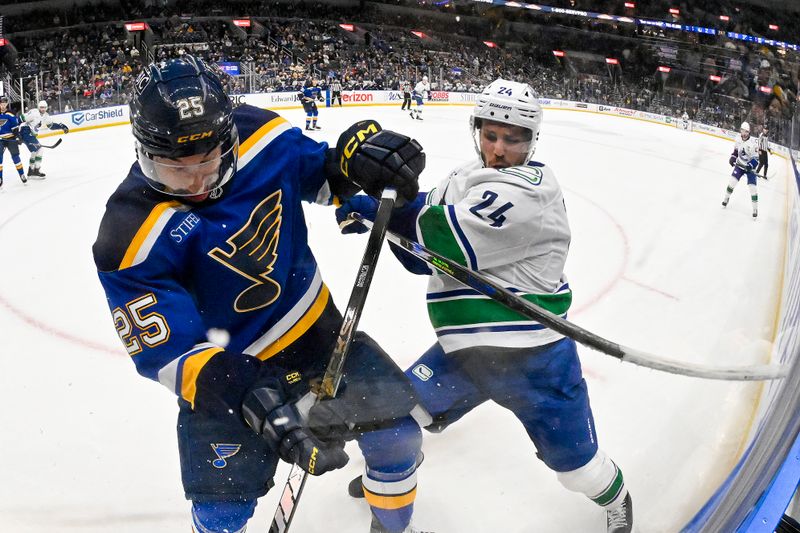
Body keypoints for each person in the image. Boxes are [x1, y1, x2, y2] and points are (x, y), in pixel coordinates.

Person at [91, 55, 428, 533]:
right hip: (228, 371)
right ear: (143, 150)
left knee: (397, 438)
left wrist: (358, 161)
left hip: (317, 333)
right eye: (173, 169)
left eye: (207, 160)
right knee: (220, 511)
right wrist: (249, 395)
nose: (196, 182)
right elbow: (169, 353)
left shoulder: (261, 136)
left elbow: (324, 176)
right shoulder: (128, 234)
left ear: (229, 138)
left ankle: (395, 527)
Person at [336, 78, 633, 532]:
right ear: (476, 130)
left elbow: (441, 238)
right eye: (490, 135)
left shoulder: (531, 190)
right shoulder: (461, 179)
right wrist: (385, 212)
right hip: (466, 353)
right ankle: (392, 474)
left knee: (578, 468)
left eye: (512, 139)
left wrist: (384, 204)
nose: (497, 149)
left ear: (531, 141)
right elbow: (421, 260)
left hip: (536, 361)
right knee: (395, 414)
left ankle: (616, 497)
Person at [19, 100, 69, 179]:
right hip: (25, 131)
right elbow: (21, 118)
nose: (43, 109)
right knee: (40, 150)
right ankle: (36, 170)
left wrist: (61, 126)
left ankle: (31, 171)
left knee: (34, 151)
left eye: (44, 107)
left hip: (31, 134)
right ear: (39, 107)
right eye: (41, 107)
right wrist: (17, 134)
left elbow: (51, 126)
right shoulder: (34, 112)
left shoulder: (46, 115)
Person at [722, 121, 759, 219]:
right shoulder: (738, 139)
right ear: (741, 130)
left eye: (746, 131)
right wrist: (732, 158)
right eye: (743, 131)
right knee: (731, 183)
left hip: (749, 168)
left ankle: (755, 208)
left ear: (749, 132)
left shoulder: (753, 144)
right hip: (739, 165)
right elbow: (735, 151)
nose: (744, 133)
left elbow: (756, 159)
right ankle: (726, 198)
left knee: (753, 189)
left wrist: (750, 166)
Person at [0, 96, 28, 187]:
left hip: (11, 138)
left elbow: (15, 127)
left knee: (16, 157)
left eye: (5, 104)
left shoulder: (11, 114)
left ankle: (22, 174)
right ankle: (0, 178)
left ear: (7, 104)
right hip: (0, 140)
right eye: (1, 104)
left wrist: (18, 136)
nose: (3, 106)